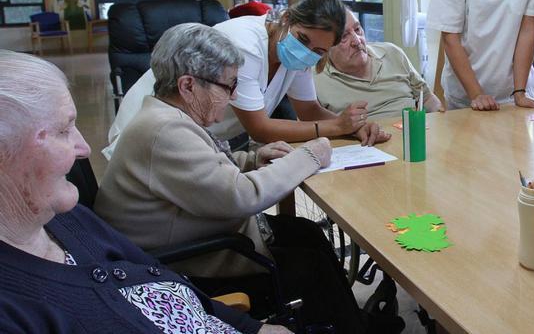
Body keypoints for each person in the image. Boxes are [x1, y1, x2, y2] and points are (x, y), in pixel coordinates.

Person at [93, 23, 371, 333]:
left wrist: (252, 159)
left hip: (191, 239)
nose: (234, 94)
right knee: (312, 266)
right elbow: (242, 197)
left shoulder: (165, 117)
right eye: (227, 86)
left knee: (305, 232)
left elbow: (202, 171)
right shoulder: (164, 131)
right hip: (182, 264)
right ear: (187, 86)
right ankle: (348, 325)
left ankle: (351, 321)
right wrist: (310, 155)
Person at [0, 50, 287, 334]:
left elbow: (165, 279)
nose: (84, 148)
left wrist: (251, 327)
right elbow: (239, 196)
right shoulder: (13, 311)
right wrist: (311, 155)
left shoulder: (67, 219)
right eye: (64, 130)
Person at [104, 0, 389, 160]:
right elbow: (259, 129)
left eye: (318, 50)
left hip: (201, 140)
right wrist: (338, 126)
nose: (307, 53)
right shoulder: (244, 43)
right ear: (287, 18)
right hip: (150, 135)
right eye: (302, 40)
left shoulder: (300, 53)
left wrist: (353, 128)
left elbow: (309, 110)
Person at [315, 8, 442, 119]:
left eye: (357, 29)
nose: (357, 41)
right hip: (360, 144)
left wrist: (439, 123)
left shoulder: (392, 53)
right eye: (344, 37)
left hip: (410, 137)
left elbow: (427, 98)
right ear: (326, 46)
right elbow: (313, 129)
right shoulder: (315, 79)